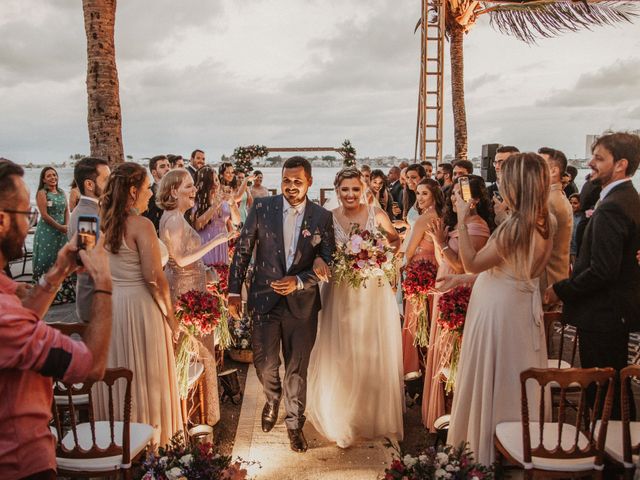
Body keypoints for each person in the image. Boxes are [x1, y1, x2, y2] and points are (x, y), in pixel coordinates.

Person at [0, 159, 113, 480]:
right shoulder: (5, 316)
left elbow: (24, 320)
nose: (30, 223)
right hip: (21, 465)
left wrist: (59, 271)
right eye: (26, 214)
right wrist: (104, 283)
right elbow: (91, 367)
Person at [448, 153, 555, 464]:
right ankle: (519, 445)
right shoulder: (546, 221)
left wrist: (461, 217)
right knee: (514, 375)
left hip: (498, 314)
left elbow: (473, 261)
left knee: (494, 375)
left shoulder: (515, 228)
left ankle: (484, 448)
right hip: (519, 310)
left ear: (516, 184)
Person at [228, 157, 335, 453]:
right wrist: (233, 291)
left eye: (297, 182)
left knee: (297, 369)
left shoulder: (321, 217)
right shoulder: (263, 208)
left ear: (309, 182)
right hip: (264, 299)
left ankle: (293, 424)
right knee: (264, 364)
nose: (291, 187)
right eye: (287, 181)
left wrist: (300, 280)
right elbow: (242, 251)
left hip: (302, 305)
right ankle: (272, 398)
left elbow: (330, 260)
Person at [546, 132, 640, 420]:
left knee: (602, 391)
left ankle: (609, 455)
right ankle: (619, 448)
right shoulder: (625, 198)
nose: (590, 163)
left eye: (599, 158)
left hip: (603, 315)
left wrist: (560, 289)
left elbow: (601, 271)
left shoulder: (613, 206)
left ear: (621, 164)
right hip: (613, 313)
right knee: (614, 387)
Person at [306, 167, 403, 448]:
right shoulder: (328, 218)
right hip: (341, 291)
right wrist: (317, 262)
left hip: (373, 292)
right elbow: (316, 250)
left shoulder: (377, 215)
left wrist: (381, 257)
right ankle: (343, 419)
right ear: (337, 191)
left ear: (363, 190)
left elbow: (395, 241)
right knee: (342, 352)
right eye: (344, 190)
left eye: (355, 189)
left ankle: (371, 414)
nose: (350, 194)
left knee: (372, 350)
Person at [96, 162, 182, 445]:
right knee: (146, 374)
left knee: (123, 368)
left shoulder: (106, 223)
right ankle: (151, 440)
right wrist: (171, 319)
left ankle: (120, 440)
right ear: (133, 192)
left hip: (114, 307)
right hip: (141, 308)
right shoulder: (141, 225)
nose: (150, 193)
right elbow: (155, 279)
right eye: (147, 188)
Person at [159, 168, 237, 426]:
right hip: (185, 289)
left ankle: (198, 411)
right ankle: (196, 413)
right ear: (173, 191)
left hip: (192, 282)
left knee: (196, 348)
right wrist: (217, 242)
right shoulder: (173, 220)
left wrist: (208, 272)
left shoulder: (175, 216)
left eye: (193, 186)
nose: (194, 191)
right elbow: (180, 259)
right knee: (194, 349)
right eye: (188, 187)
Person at [421, 175, 492, 431]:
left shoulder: (477, 227)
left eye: (459, 196)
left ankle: (453, 414)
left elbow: (463, 265)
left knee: (453, 356)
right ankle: (441, 414)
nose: (453, 199)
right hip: (447, 287)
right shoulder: (462, 224)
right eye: (451, 195)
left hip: (459, 291)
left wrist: (440, 243)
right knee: (442, 351)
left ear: (473, 201)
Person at [399, 179, 444, 376]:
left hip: (421, 269)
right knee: (427, 317)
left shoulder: (425, 218)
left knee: (417, 319)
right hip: (433, 267)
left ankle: (415, 366)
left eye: (424, 193)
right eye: (417, 193)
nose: (419, 198)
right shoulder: (439, 214)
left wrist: (399, 270)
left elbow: (409, 251)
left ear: (434, 194)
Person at [67, 157, 111, 323]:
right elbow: (89, 263)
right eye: (106, 180)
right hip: (94, 303)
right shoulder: (87, 217)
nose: (111, 184)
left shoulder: (94, 210)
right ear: (89, 185)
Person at [33, 166, 75, 304]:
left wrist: (67, 227)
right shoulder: (42, 193)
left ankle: (64, 294)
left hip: (62, 231)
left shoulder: (62, 192)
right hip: (47, 232)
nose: (53, 178)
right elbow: (44, 215)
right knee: (47, 260)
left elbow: (66, 211)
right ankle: (44, 295)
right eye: (49, 176)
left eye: (54, 175)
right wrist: (59, 227)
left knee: (61, 260)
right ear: (44, 179)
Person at [538, 147, 573, 294]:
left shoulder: (549, 202)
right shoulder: (557, 196)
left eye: (539, 165)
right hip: (557, 275)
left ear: (553, 171)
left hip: (547, 279)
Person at [191, 166, 240, 266]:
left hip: (222, 247)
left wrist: (232, 203)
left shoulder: (223, 200)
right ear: (204, 183)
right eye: (211, 181)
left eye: (217, 180)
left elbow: (237, 221)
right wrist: (214, 206)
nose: (216, 184)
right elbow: (197, 225)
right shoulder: (196, 202)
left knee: (222, 276)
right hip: (205, 247)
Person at [489, 146, 520, 225]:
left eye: (501, 162)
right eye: (495, 162)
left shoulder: (527, 193)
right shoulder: (486, 192)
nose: (497, 167)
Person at [144, 154, 171, 233]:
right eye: (162, 167)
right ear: (154, 172)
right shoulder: (150, 194)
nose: (167, 169)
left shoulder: (175, 191)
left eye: (168, 165)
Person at [568, 193, 584, 265]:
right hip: (568, 250)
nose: (572, 205)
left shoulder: (583, 218)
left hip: (577, 251)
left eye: (575, 203)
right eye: (570, 202)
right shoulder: (567, 215)